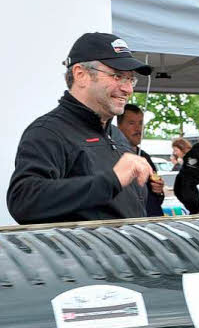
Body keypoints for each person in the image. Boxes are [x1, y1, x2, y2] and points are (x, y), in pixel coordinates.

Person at [7, 32, 153, 224]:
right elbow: (23, 201)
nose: (128, 89)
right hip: (84, 254)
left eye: (130, 79)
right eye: (118, 76)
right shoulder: (48, 132)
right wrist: (111, 181)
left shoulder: (115, 134)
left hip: (128, 252)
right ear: (80, 75)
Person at [117, 103, 165, 216]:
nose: (138, 128)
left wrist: (159, 191)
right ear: (119, 126)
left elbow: (155, 198)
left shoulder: (145, 156)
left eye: (141, 123)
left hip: (152, 222)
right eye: (131, 123)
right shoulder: (113, 156)